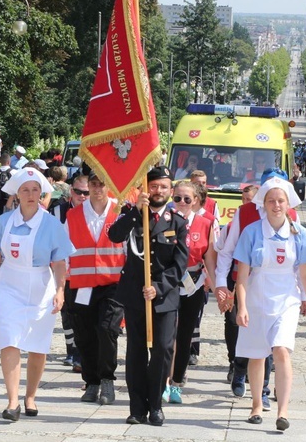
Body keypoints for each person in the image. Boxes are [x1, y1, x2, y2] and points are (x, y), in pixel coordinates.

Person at [0, 167, 75, 421]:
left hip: (41, 286)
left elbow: (60, 261)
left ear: (41, 194)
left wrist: (61, 290)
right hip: (9, 284)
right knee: (9, 340)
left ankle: (30, 395)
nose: (31, 195)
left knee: (37, 345)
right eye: (25, 190)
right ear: (17, 194)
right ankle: (12, 400)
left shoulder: (51, 224)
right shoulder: (3, 222)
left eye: (35, 190)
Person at [234, 176, 306, 432]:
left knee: (281, 350)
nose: (276, 205)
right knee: (258, 355)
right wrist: (242, 306)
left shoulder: (299, 232)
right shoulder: (251, 232)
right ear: (264, 204)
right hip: (257, 298)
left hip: (287, 300)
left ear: (288, 203)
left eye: (280, 200)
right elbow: (241, 276)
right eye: (271, 200)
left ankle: (283, 410)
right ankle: (257, 404)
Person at [107, 166, 188, 426]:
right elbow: (114, 235)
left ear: (170, 190)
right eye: (153, 186)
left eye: (163, 187)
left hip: (163, 297)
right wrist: (134, 211)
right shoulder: (132, 215)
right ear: (145, 188)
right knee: (136, 352)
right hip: (135, 295)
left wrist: (159, 287)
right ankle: (137, 409)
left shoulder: (177, 222)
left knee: (163, 350)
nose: (158, 191)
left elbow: (180, 264)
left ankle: (155, 405)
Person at [64, 172, 125, 406]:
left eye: (102, 184)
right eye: (93, 185)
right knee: (85, 335)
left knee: (107, 329)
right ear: (88, 186)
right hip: (81, 285)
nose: (98, 189)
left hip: (113, 284)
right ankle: (92, 382)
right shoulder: (73, 214)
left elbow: (130, 248)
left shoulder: (121, 211)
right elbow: (64, 250)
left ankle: (107, 379)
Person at [167, 181, 216, 405]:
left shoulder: (206, 223)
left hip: (193, 283)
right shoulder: (162, 221)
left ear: (196, 200)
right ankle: (162, 380)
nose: (182, 203)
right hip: (167, 283)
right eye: (177, 198)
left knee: (185, 334)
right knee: (164, 335)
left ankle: (177, 381)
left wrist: (218, 288)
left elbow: (210, 259)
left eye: (187, 199)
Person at [49, 175, 89, 372]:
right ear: (71, 191)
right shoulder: (57, 212)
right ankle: (71, 350)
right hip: (63, 271)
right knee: (66, 313)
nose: (82, 196)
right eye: (78, 191)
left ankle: (81, 353)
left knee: (81, 314)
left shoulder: (94, 213)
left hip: (86, 272)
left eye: (86, 192)